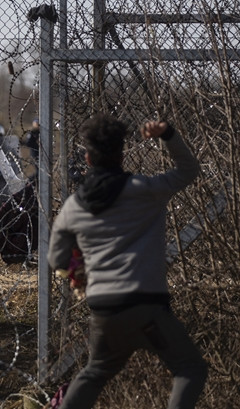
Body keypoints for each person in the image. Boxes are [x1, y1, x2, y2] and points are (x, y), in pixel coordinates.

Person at [47, 114, 207, 409]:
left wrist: (76, 272)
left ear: (87, 158)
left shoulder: (73, 207)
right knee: (190, 369)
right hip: (148, 309)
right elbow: (188, 171)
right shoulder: (146, 190)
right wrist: (168, 134)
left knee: (96, 372)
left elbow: (56, 257)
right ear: (121, 155)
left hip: (105, 311)